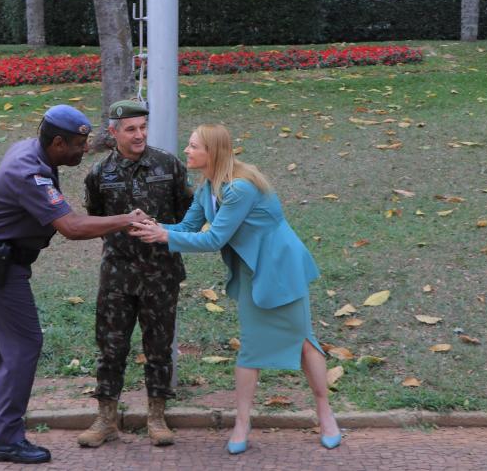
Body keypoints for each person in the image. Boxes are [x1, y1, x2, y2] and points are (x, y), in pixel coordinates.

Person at [130, 124, 341, 455]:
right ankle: (242, 424)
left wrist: (164, 237)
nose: (186, 150)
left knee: (303, 341)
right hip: (251, 273)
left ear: (212, 153)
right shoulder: (207, 188)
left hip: (281, 268)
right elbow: (187, 228)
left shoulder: (240, 188)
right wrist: (154, 226)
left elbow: (215, 239)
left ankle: (326, 416)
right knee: (251, 347)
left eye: (193, 146)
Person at [0, 105, 149, 464]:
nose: (84, 149)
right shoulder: (28, 172)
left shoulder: (30, 150)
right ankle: (6, 439)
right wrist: (125, 220)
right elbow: (72, 227)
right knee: (24, 343)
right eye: (79, 144)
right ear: (58, 142)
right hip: (1, 266)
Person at [78, 101, 192, 448]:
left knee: (158, 347)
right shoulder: (100, 174)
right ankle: (106, 419)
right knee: (110, 349)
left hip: (161, 273)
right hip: (117, 275)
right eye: (130, 129)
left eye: (143, 127)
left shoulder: (168, 165)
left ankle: (156, 417)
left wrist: (163, 230)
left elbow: (187, 215)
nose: (139, 134)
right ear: (113, 133)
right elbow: (96, 218)